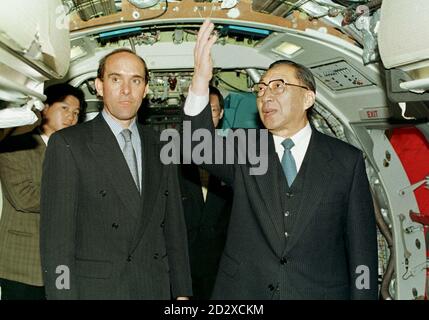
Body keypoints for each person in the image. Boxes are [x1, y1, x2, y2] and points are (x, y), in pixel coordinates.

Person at [183, 20, 378, 299]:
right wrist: (200, 80)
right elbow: (195, 147)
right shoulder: (245, 148)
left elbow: (363, 253)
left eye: (278, 86)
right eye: (261, 89)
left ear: (308, 98)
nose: (265, 96)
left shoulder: (347, 161)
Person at [40, 48, 192, 300]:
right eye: (115, 79)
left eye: (135, 80)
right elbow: (56, 242)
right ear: (99, 86)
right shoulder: (69, 144)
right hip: (98, 290)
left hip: (153, 286)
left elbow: (174, 227)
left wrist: (182, 292)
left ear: (145, 90)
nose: (126, 90)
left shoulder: (163, 145)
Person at [0, 83, 85, 300]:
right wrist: (76, 198)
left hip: (62, 262)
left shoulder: (73, 152)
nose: (71, 117)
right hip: (23, 263)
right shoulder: (18, 144)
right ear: (45, 108)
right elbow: (24, 197)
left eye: (76, 113)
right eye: (64, 108)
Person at [180, 85, 233, 299]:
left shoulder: (235, 156)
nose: (204, 117)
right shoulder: (172, 154)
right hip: (184, 258)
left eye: (211, 110)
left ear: (220, 114)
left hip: (221, 260)